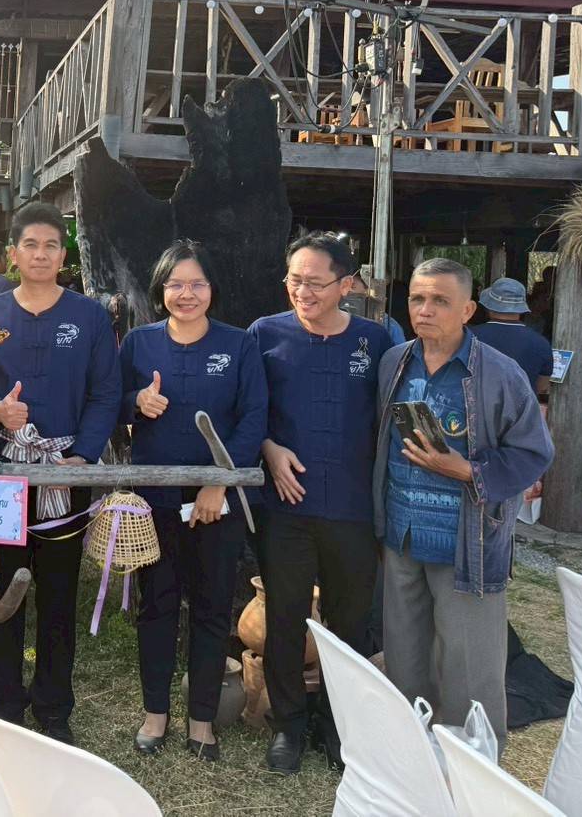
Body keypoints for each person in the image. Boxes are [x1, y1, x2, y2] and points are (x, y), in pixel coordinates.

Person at [0, 202, 120, 747]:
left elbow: (105, 393)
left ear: (63, 253)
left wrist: (86, 456)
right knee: (0, 585)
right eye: (31, 245)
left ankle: (53, 706)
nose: (42, 254)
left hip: (63, 474)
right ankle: (3, 700)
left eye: (52, 245)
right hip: (1, 470)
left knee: (57, 591)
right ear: (13, 254)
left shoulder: (90, 316)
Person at [375, 257, 554, 751]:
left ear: (468, 309)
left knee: (470, 668)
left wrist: (466, 470)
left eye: (440, 301)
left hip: (467, 542)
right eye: (417, 298)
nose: (425, 309)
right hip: (402, 535)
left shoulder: (500, 374)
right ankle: (412, 758)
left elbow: (535, 453)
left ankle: (475, 770)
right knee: (405, 659)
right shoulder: (395, 363)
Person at [249, 232, 395, 773]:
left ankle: (340, 726)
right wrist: (269, 449)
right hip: (286, 507)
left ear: (347, 285)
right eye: (294, 280)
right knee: (285, 618)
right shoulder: (265, 334)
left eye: (315, 282)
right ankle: (286, 724)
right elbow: (248, 409)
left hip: (354, 508)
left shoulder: (376, 342)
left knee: (349, 624)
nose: (302, 292)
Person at [119, 240, 267, 761]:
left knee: (210, 609)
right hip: (154, 499)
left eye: (197, 283)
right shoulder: (138, 344)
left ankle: (202, 719)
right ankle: (155, 712)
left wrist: (219, 483)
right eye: (176, 284)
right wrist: (135, 401)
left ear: (212, 289)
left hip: (217, 503)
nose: (186, 294)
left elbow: (253, 417)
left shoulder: (239, 345)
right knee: (155, 605)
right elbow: (110, 401)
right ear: (161, 291)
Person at [473, 277, 554, 397]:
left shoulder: (469, 337)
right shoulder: (541, 343)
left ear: (488, 306)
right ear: (521, 309)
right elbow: (541, 387)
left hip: (476, 410)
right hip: (522, 413)